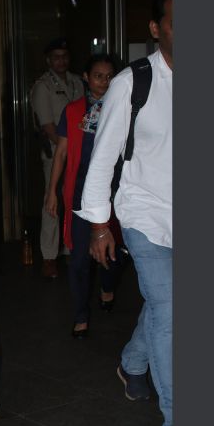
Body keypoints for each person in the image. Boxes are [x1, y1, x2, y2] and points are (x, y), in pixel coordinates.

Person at [75, 0, 173, 426]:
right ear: (155, 28)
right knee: (171, 310)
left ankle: (133, 363)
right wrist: (99, 225)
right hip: (143, 212)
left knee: (164, 305)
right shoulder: (132, 82)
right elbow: (102, 157)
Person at [45, 54, 122, 338]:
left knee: (113, 254)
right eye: (98, 76)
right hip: (79, 193)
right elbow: (61, 153)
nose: (104, 81)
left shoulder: (122, 108)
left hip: (113, 193)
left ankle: (108, 286)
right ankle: (80, 314)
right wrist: (52, 191)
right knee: (78, 259)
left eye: (109, 76)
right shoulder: (73, 110)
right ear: (87, 78)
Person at [30, 38, 85, 278]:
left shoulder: (78, 81)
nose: (61, 61)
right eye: (56, 57)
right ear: (48, 60)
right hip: (56, 153)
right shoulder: (43, 86)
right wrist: (67, 151)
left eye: (64, 56)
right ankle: (49, 256)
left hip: (80, 152)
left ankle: (70, 247)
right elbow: (48, 126)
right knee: (52, 201)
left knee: (74, 199)